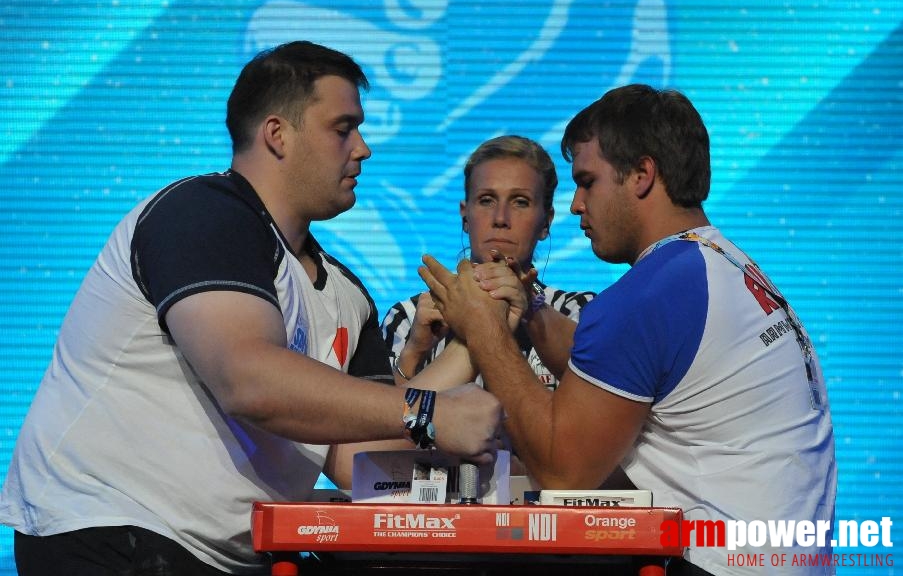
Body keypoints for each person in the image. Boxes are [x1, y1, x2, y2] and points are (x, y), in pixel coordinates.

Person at [0, 41, 502, 576]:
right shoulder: (201, 213)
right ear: (277, 134)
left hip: (225, 557)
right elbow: (249, 380)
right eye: (343, 128)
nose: (363, 148)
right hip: (112, 533)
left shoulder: (347, 294)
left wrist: (482, 335)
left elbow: (355, 456)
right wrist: (428, 414)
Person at [420, 84, 836, 576]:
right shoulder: (717, 264)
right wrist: (529, 309)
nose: (576, 205)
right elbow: (618, 368)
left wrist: (485, 331)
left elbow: (563, 474)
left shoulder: (650, 294)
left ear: (642, 175)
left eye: (588, 182)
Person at [381, 135, 595, 392]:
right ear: (465, 216)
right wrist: (413, 352)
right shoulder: (408, 318)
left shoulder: (578, 312)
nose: (500, 218)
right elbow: (384, 426)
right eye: (486, 200)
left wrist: (530, 309)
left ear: (546, 222)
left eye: (520, 202)